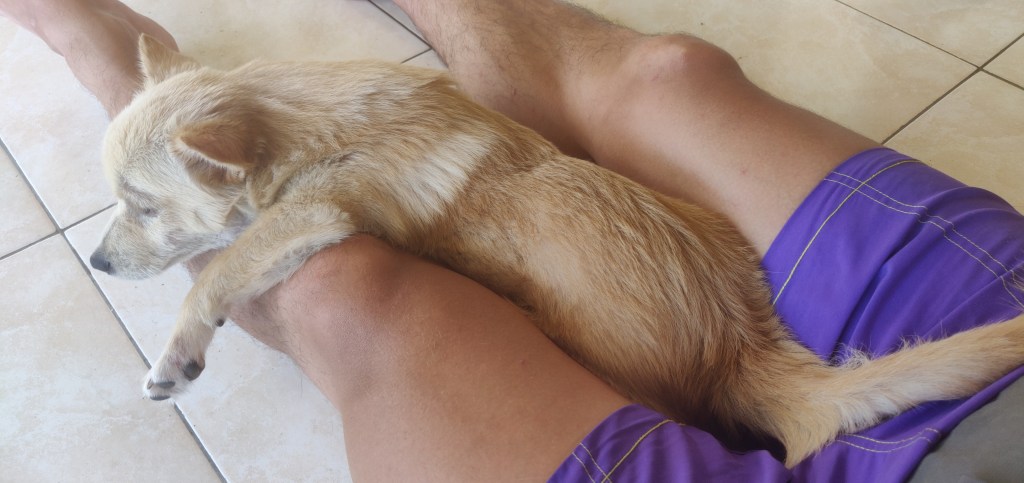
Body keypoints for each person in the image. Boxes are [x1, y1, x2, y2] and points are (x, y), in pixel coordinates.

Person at [4, 0, 1023, 480]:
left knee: (331, 290)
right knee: (666, 74)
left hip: (736, 365)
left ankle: (115, 69)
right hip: (989, 406)